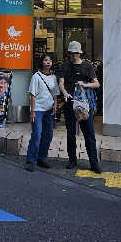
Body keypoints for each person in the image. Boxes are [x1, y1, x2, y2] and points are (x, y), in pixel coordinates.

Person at [58, 41, 102, 173]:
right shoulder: (64, 65)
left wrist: (85, 84)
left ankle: (94, 162)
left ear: (80, 53)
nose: (73, 55)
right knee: (71, 133)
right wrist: (64, 93)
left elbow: (97, 84)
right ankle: (72, 160)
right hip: (70, 104)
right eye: (71, 53)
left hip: (84, 105)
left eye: (76, 53)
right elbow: (61, 82)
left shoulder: (87, 66)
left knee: (89, 133)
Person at [25, 54, 58, 171]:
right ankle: (30, 160)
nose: (48, 62)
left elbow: (55, 92)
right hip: (38, 110)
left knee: (48, 135)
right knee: (37, 134)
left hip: (49, 110)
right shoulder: (36, 76)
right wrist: (32, 111)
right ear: (42, 62)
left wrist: (55, 105)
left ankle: (42, 158)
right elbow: (32, 95)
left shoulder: (53, 77)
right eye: (45, 60)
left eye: (50, 60)